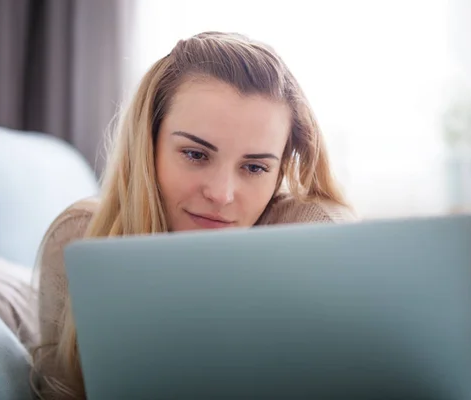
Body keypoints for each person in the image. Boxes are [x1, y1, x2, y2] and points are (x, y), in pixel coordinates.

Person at [32, 31, 357, 399]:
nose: (221, 194)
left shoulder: (306, 232)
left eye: (254, 167)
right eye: (195, 154)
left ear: (280, 171)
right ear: (147, 144)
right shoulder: (81, 238)